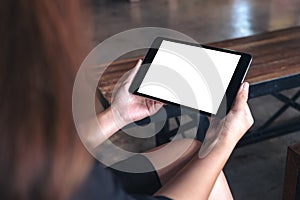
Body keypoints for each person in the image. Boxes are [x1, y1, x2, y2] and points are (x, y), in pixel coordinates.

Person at [0, 0, 254, 199]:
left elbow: (42, 152)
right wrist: (223, 145)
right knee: (207, 167)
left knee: (188, 150)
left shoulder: (18, 137)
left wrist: (116, 116)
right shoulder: (78, 184)